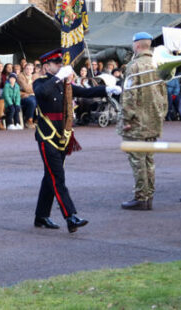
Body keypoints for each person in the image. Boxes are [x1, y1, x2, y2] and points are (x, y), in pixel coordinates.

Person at [33, 48, 119, 232]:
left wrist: (106, 89)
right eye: (57, 64)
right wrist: (58, 77)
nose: (60, 66)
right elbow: (42, 95)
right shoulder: (40, 82)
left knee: (51, 177)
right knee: (57, 177)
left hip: (62, 135)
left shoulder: (65, 84)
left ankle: (41, 216)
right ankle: (70, 216)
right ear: (47, 66)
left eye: (60, 64)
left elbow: (84, 92)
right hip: (47, 135)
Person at [119, 32, 167, 210]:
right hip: (153, 119)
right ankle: (149, 196)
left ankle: (141, 196)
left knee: (138, 160)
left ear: (137, 46)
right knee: (149, 160)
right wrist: (161, 115)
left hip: (137, 121)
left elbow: (129, 95)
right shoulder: (159, 64)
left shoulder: (134, 66)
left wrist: (126, 118)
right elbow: (164, 94)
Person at [17, 62, 37, 129]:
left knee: (41, 100)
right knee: (32, 101)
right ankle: (29, 120)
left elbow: (39, 87)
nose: (29, 70)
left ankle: (38, 120)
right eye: (27, 69)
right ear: (24, 69)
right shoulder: (20, 76)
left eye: (30, 69)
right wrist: (33, 90)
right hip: (22, 96)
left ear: (33, 70)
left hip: (32, 96)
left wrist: (32, 90)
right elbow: (26, 88)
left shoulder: (34, 76)